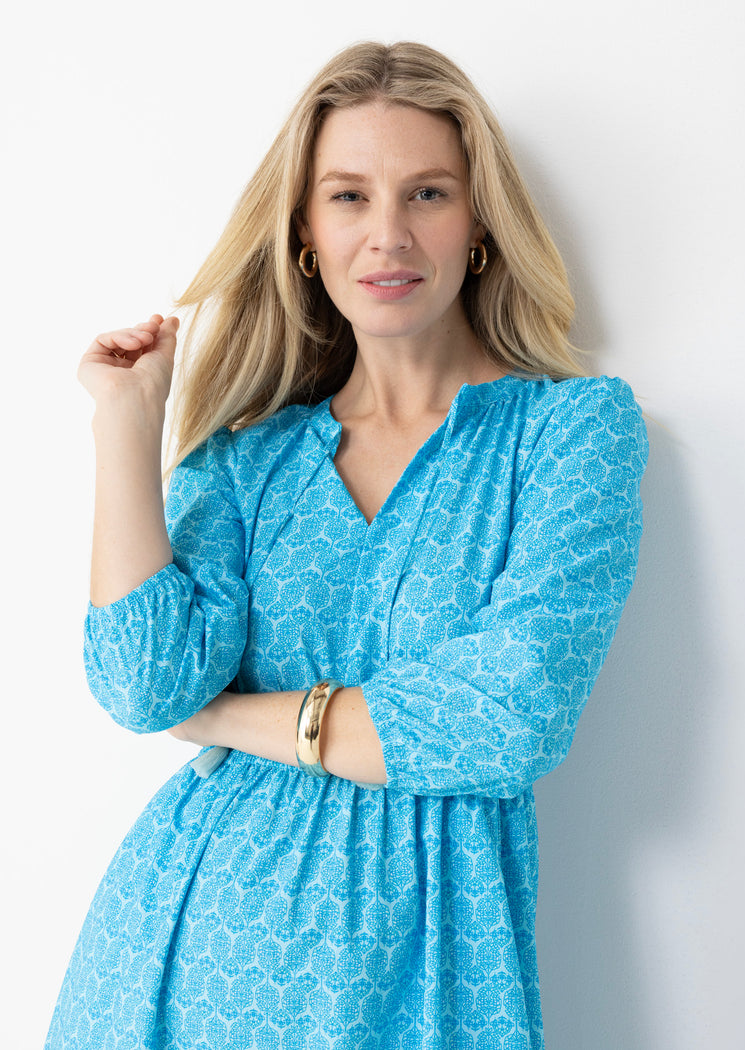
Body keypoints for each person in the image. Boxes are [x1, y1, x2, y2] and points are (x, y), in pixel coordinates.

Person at [45, 40, 648, 1050]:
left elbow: (511, 716)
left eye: (426, 193)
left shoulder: (571, 433)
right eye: (349, 198)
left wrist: (230, 716)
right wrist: (127, 421)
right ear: (307, 238)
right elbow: (145, 685)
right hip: (184, 958)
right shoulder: (249, 460)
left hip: (425, 968)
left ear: (480, 226)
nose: (389, 235)